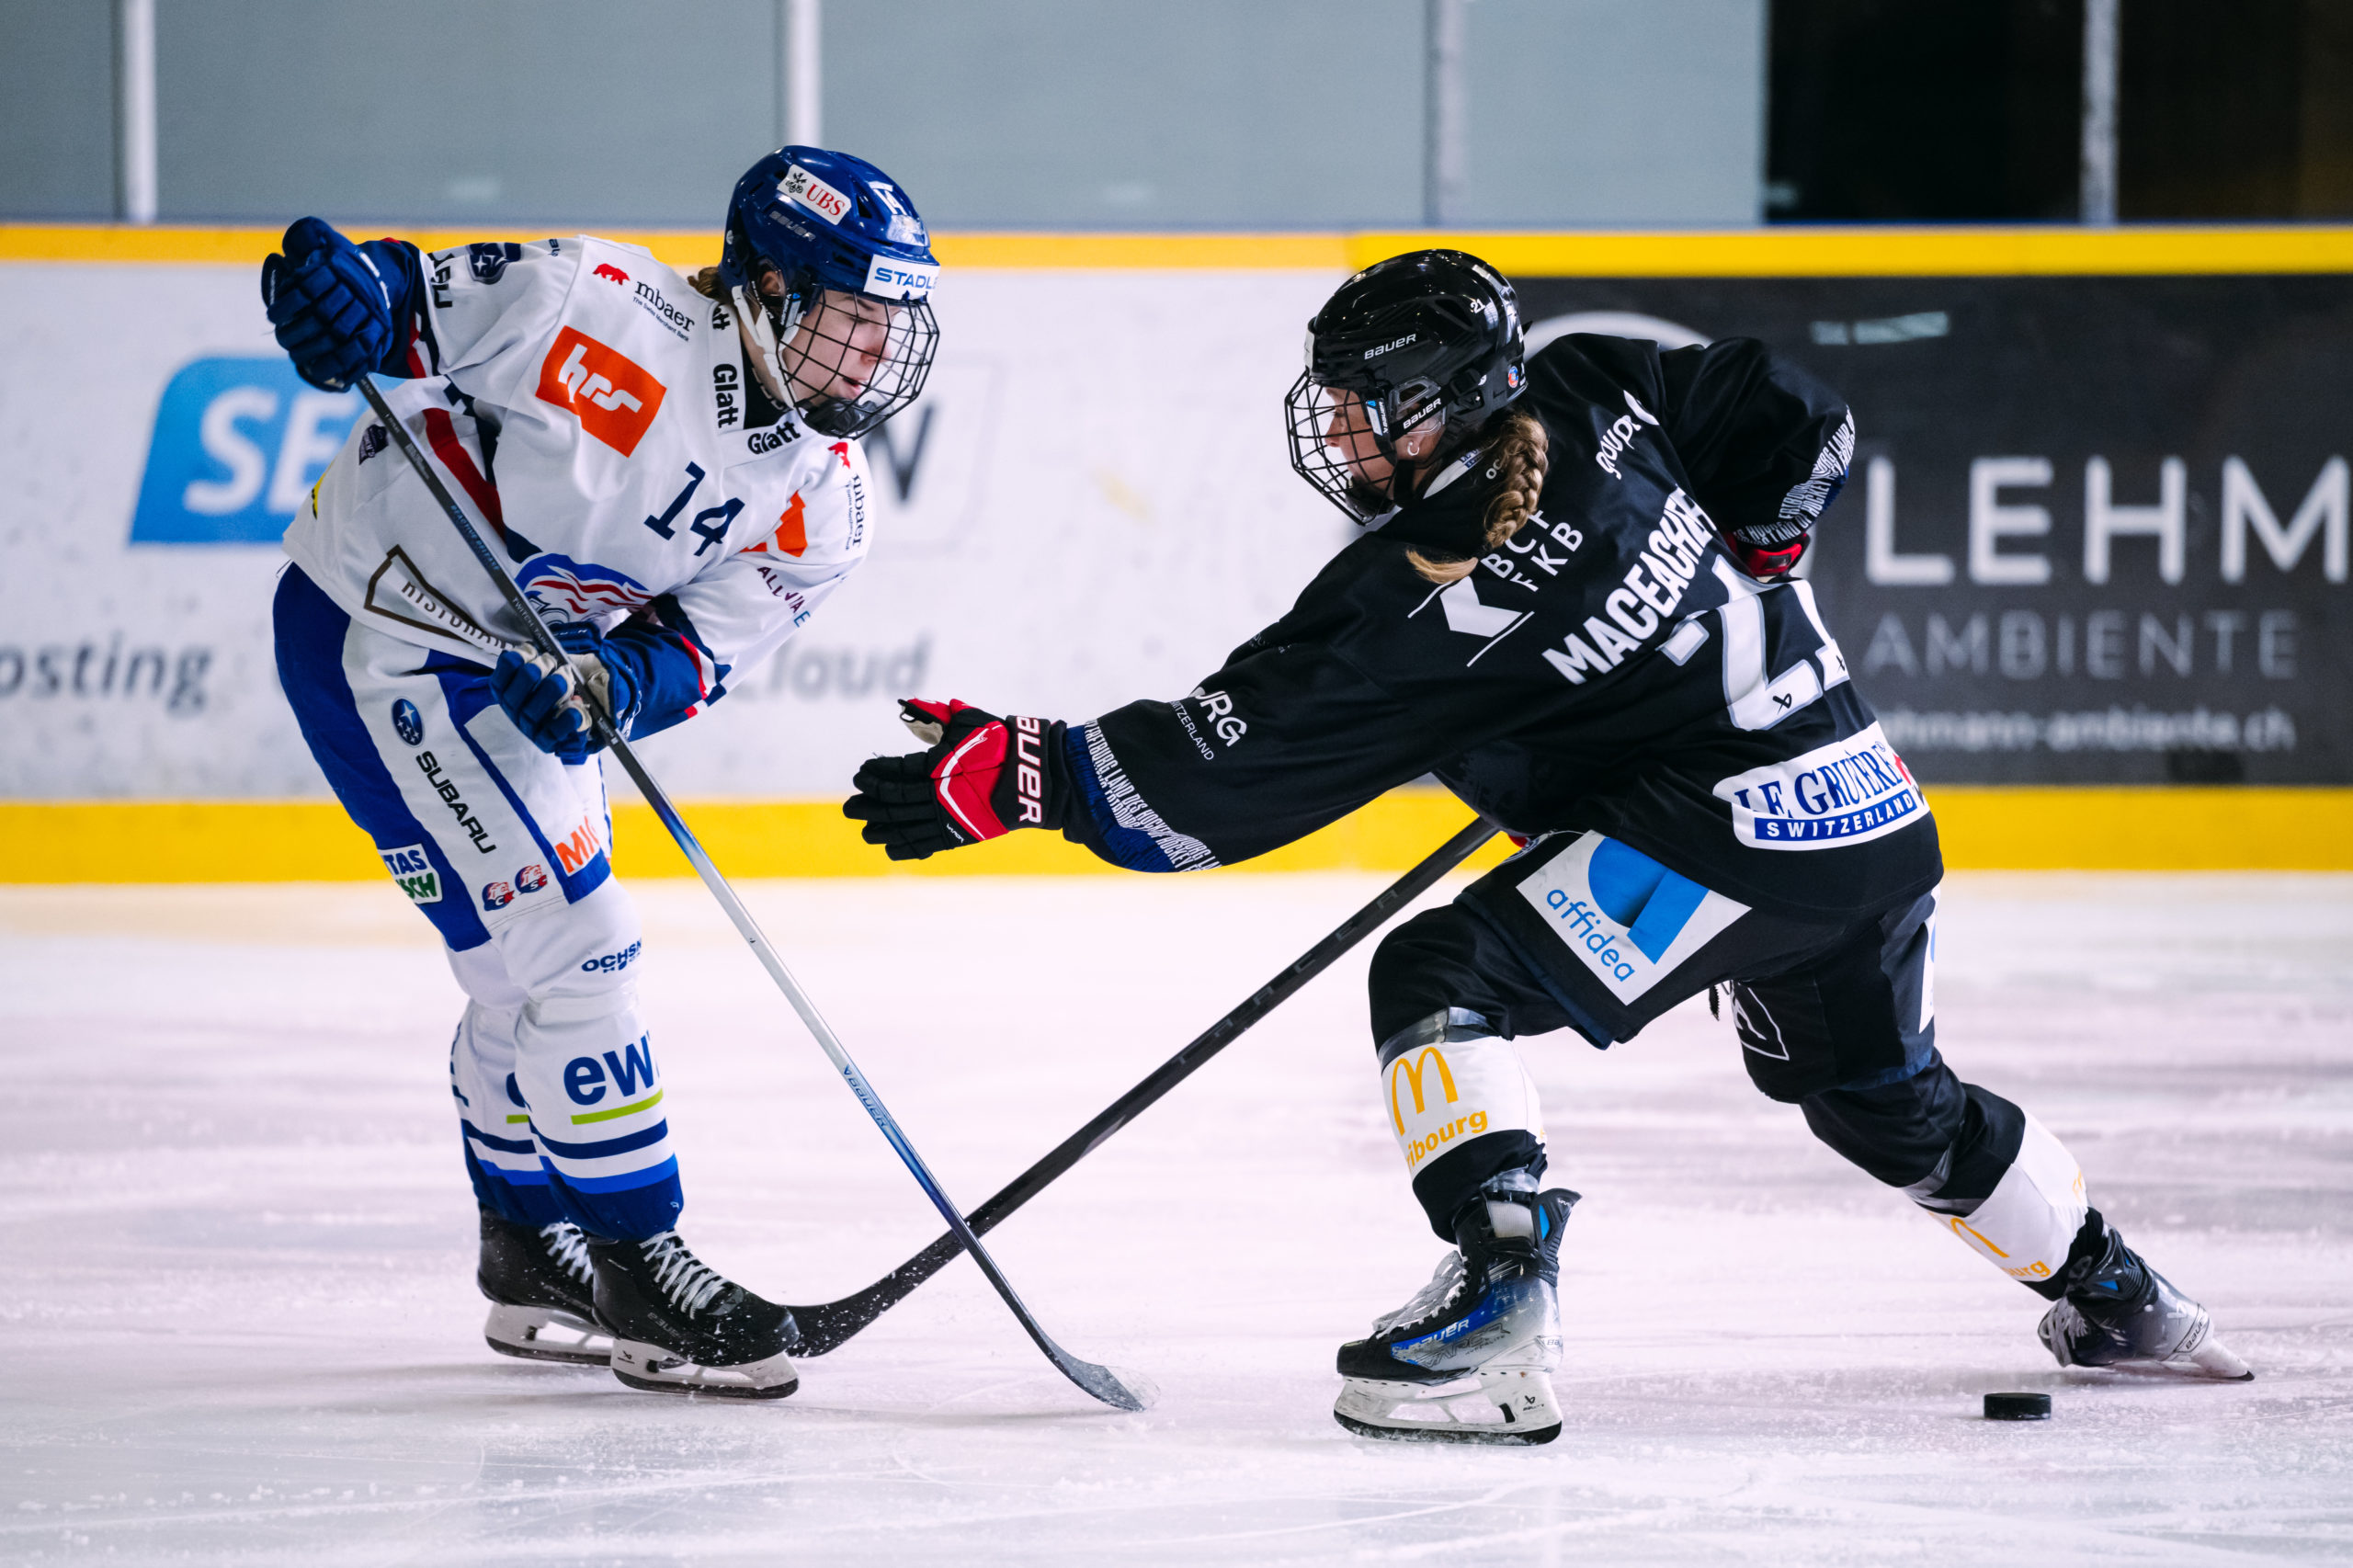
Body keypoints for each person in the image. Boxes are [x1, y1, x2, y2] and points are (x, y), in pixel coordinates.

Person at [842, 250, 2251, 1443]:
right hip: (1869, 813)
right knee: (1890, 1102)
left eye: (1360, 401)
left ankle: (1504, 1303)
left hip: (1733, 837)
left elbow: (1223, 769)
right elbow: (1795, 413)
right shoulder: (1597, 385)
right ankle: (2121, 1292)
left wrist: (1018, 776)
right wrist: (1766, 539)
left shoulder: (1428, 586)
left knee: (1441, 972)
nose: (1336, 429)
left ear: (1440, 401)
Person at [263, 145, 940, 1399]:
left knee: (518, 964)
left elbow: (690, 649)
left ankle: (528, 1247)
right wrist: (337, 297)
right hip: (383, 632)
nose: (871, 358)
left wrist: (613, 689)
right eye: (847, 320)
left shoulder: (823, 501)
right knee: (580, 948)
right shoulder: (594, 307)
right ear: (768, 290)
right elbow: (396, 302)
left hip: (504, 675)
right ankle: (642, 1263)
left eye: (888, 328)